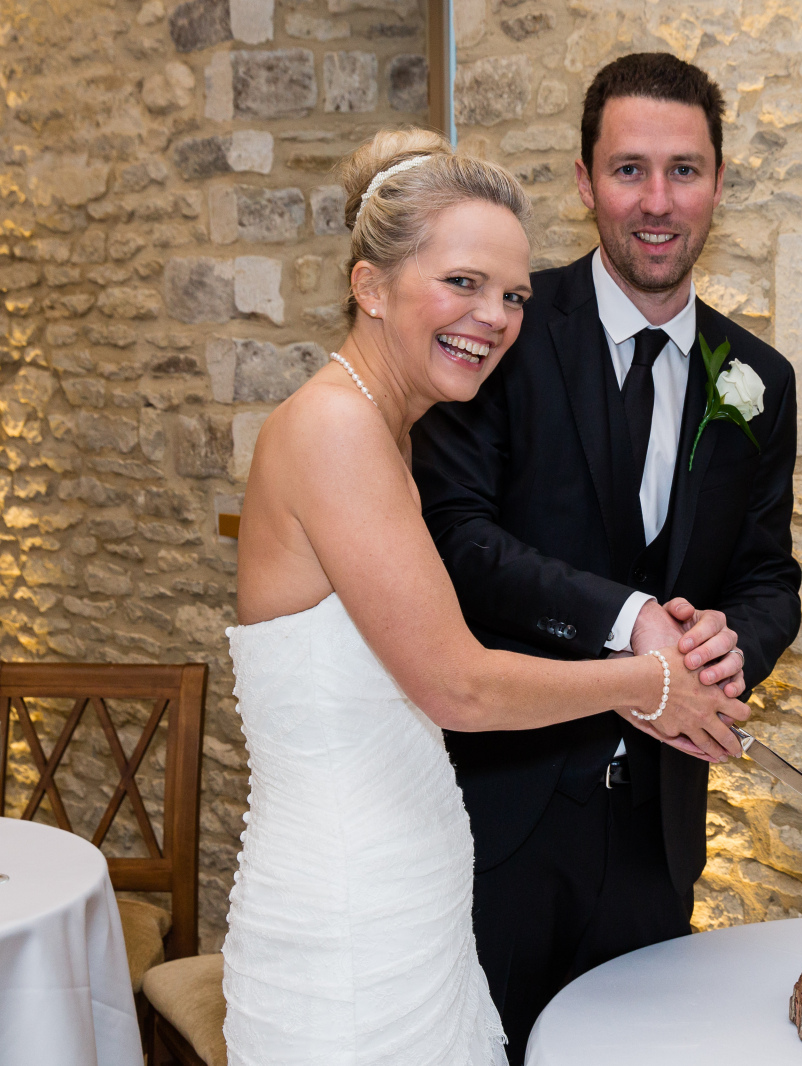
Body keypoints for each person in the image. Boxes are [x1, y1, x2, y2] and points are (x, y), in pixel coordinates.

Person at [221, 128, 751, 1065]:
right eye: (463, 282)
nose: (496, 317)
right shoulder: (334, 430)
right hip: (348, 924)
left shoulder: (386, 433)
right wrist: (648, 683)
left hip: (411, 901)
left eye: (512, 295)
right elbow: (456, 686)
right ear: (370, 285)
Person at [410, 52, 802, 1059]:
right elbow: (458, 540)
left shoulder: (759, 378)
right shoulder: (499, 334)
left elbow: (768, 576)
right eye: (630, 170)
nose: (657, 201)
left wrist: (731, 646)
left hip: (657, 835)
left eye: (684, 170)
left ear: (718, 183)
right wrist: (629, 622)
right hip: (500, 813)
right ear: (585, 182)